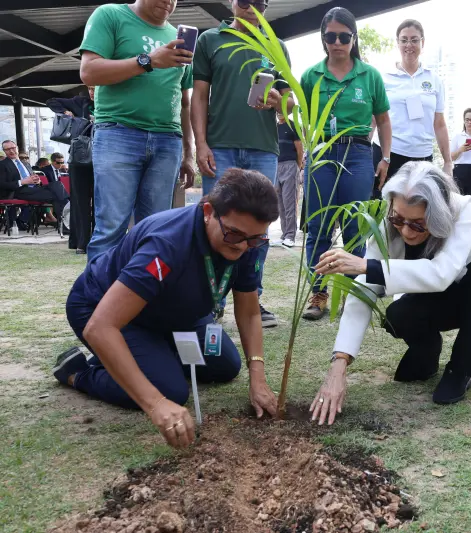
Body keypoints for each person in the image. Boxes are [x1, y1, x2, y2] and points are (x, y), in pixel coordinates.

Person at [54, 169, 281, 449]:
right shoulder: (167, 243)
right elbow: (100, 327)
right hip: (106, 309)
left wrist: (257, 377)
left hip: (178, 313)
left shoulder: (248, 241)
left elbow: (248, 311)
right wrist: (156, 403)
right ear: (208, 211)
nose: (245, 246)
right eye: (235, 235)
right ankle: (79, 373)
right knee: (168, 390)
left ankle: (147, 357)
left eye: (256, 238)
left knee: (225, 365)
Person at [309, 162, 471, 424]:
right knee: (396, 315)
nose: (404, 230)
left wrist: (366, 265)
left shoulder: (461, 209)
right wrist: (339, 362)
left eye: (417, 224)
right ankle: (427, 349)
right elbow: (363, 290)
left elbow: (441, 274)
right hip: (433, 297)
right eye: (398, 219)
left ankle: (462, 366)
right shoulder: (388, 223)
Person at [192, 0, 294, 328]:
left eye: (260, 3)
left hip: (263, 149)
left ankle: (254, 297)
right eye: (246, 1)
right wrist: (201, 143)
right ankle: (213, 300)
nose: (252, 8)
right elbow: (199, 95)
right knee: (216, 224)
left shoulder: (275, 46)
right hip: (219, 147)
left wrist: (280, 102)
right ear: (233, 2)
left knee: (258, 229)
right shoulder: (211, 40)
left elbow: (289, 103)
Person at [79, 0, 195, 260]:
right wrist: (149, 60)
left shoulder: (178, 38)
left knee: (156, 230)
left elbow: (185, 102)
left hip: (168, 140)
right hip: (118, 133)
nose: (169, 2)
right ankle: (98, 299)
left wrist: (189, 152)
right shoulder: (110, 15)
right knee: (111, 228)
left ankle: (145, 298)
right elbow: (88, 72)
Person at [299, 7, 392, 321]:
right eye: (330, 36)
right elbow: (305, 120)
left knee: (355, 225)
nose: (337, 42)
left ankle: (354, 291)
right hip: (322, 155)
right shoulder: (311, 76)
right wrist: (306, 151)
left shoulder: (370, 75)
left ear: (353, 38)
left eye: (344, 36)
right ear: (323, 39)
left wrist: (386, 159)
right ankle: (319, 292)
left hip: (358, 155)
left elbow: (383, 120)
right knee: (319, 226)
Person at [379, 19, 452, 187]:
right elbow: (375, 120)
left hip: (423, 158)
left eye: (414, 39)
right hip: (390, 154)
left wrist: (448, 161)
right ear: (397, 43)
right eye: (404, 40)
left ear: (422, 42)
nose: (409, 45)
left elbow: (439, 124)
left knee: (420, 210)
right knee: (387, 208)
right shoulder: (385, 78)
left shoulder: (434, 79)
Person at [47, 86, 96, 254]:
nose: (93, 92)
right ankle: (81, 242)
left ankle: (98, 240)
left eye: (96, 88)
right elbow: (52, 101)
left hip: (104, 158)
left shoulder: (114, 102)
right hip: (79, 158)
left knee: (102, 202)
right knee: (79, 201)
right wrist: (67, 113)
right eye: (90, 88)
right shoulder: (80, 102)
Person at [0, 140, 69, 226]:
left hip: (35, 188)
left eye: (13, 148)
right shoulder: (2, 164)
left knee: (57, 185)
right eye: (7, 149)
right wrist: (22, 182)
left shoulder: (26, 164)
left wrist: (38, 181)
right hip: (19, 191)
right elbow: (2, 184)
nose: (11, 151)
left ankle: (66, 222)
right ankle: (67, 222)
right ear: (4, 151)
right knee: (58, 195)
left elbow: (32, 178)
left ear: (17, 148)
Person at [276, 113, 304, 248]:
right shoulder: (274, 127)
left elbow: (300, 149)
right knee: (280, 203)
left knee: (290, 202)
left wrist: (297, 167)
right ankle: (284, 234)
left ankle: (290, 236)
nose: (279, 112)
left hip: (290, 165)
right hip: (276, 166)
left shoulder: (293, 125)